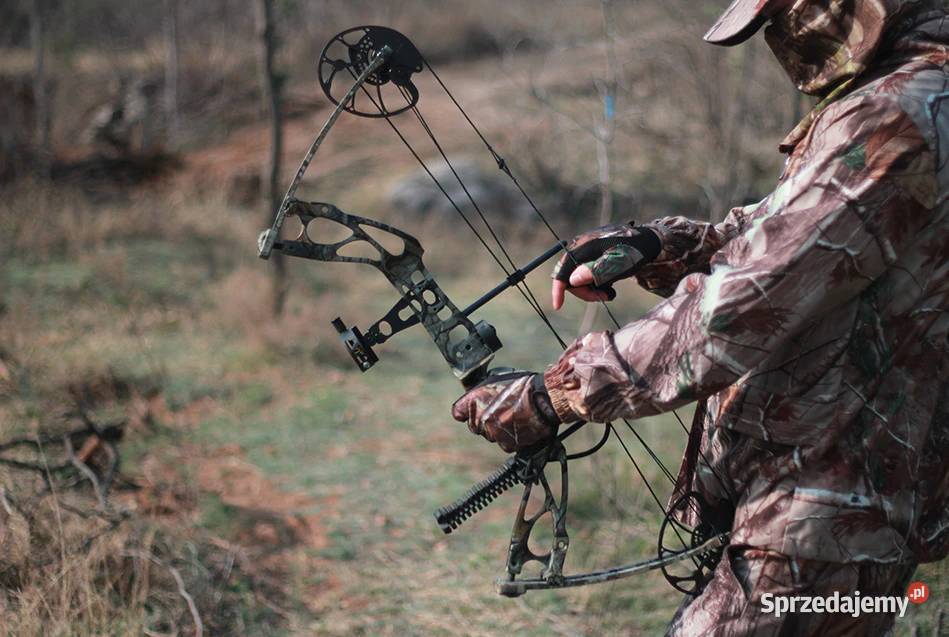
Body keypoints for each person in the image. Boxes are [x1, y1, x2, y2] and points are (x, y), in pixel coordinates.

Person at [451, 0, 949, 634]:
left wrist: (553, 398)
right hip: (834, 516)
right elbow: (789, 235)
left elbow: (741, 307)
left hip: (818, 522)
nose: (784, 38)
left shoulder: (896, 114)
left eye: (782, 15)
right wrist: (661, 244)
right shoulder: (914, 94)